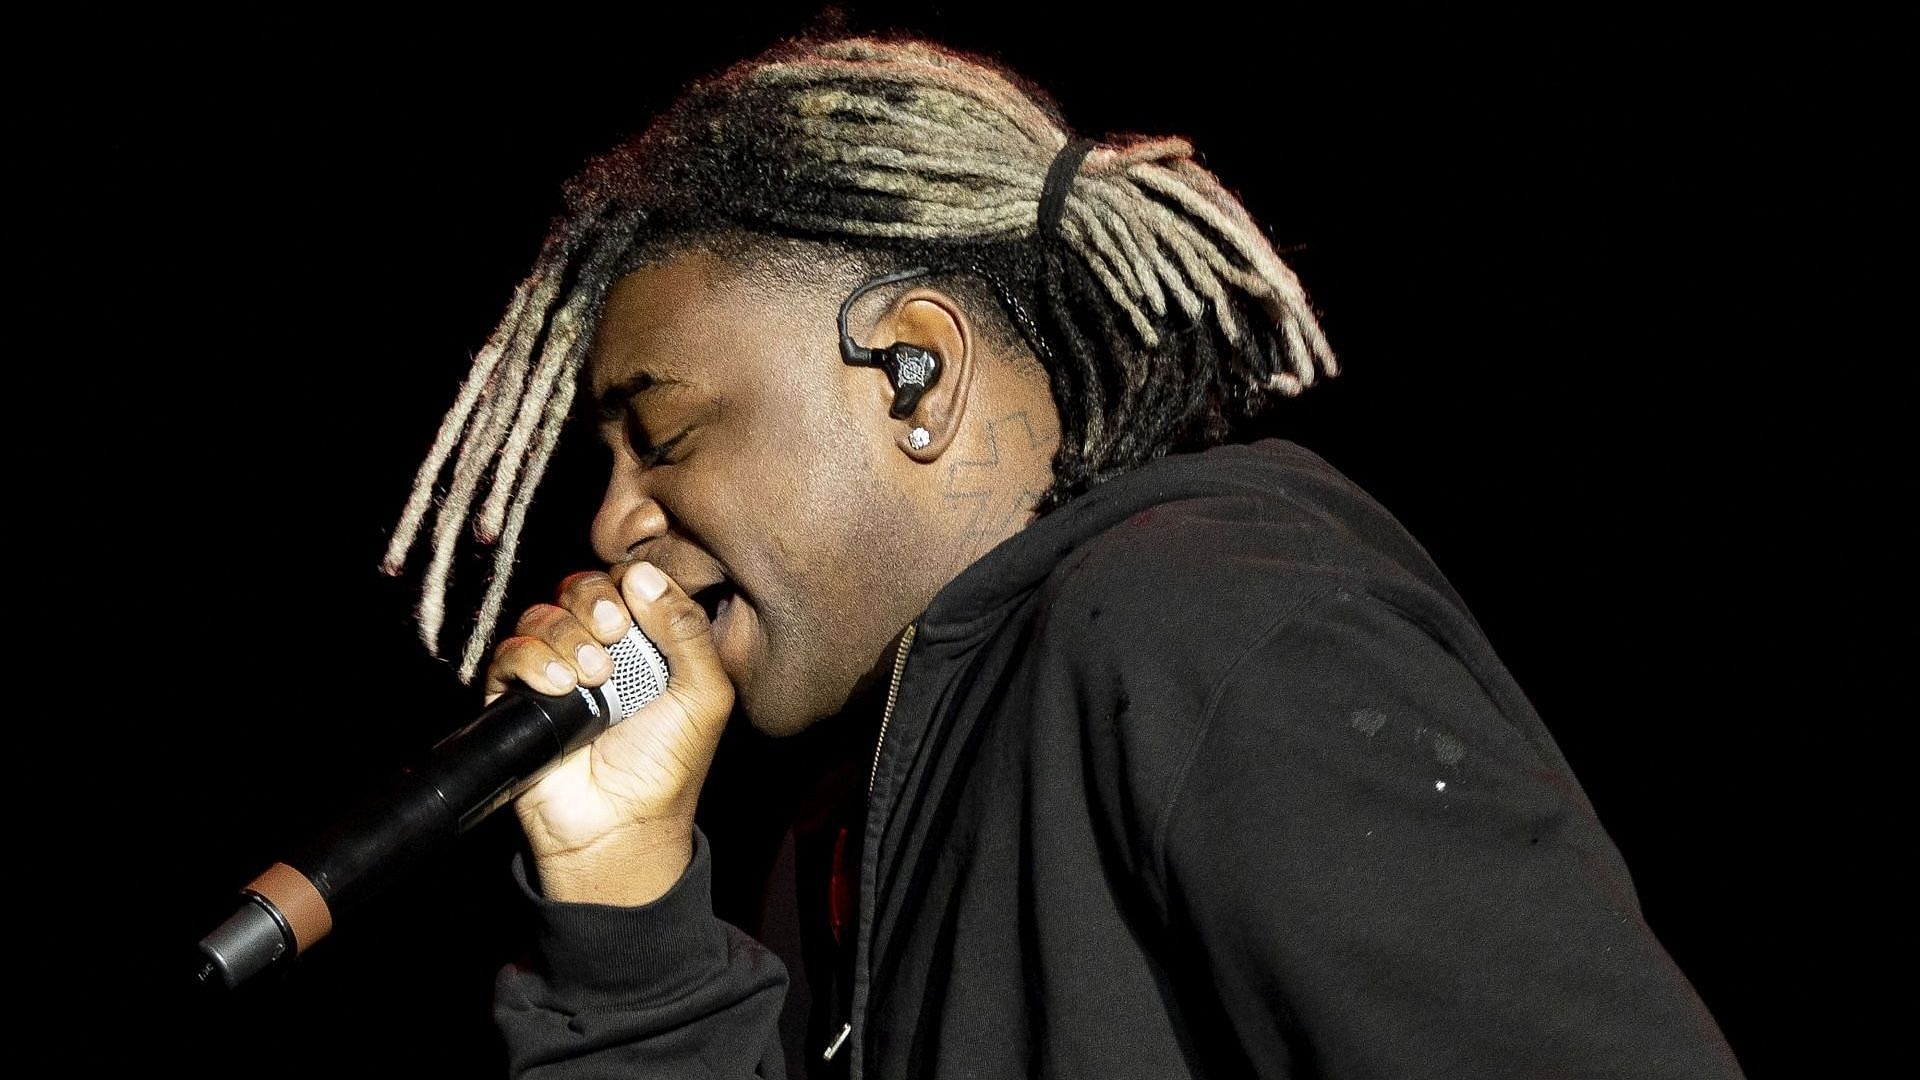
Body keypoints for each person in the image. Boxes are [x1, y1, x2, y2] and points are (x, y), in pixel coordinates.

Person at [378, 29, 1747, 1079]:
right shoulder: (854, 808)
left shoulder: (1193, 622)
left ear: (914, 372)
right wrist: (628, 928)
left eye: (661, 438)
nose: (613, 524)